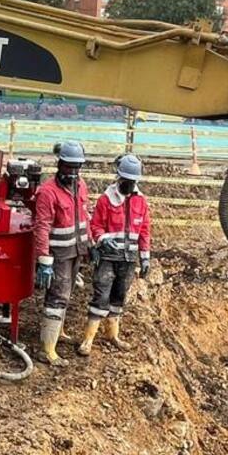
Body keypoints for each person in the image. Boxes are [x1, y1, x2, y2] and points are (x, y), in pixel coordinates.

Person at [79, 154, 152, 355]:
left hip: (129, 258)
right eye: (126, 181)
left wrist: (144, 257)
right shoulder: (106, 200)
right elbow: (95, 226)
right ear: (119, 178)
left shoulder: (140, 201)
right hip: (108, 258)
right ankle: (88, 340)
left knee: (119, 295)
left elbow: (144, 229)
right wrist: (102, 239)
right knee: (101, 294)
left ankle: (112, 335)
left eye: (133, 181)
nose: (130, 185)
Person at [31, 140, 90, 366]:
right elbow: (42, 226)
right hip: (59, 254)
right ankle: (47, 349)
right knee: (57, 296)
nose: (73, 172)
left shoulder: (81, 186)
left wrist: (90, 244)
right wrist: (44, 260)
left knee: (67, 293)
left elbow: (84, 216)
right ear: (60, 164)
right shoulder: (48, 192)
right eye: (69, 167)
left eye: (77, 168)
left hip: (76, 250)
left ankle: (58, 333)